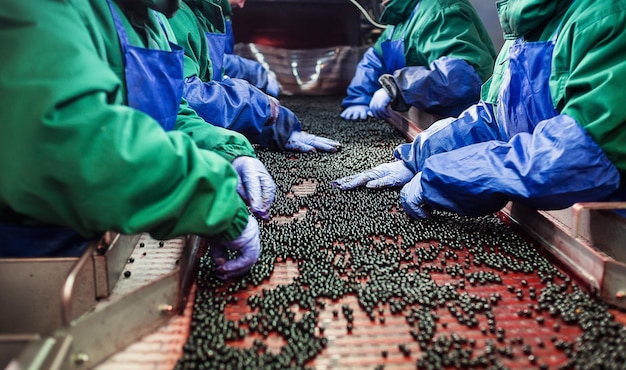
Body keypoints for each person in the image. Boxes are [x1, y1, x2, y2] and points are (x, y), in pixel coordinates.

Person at [0, 0, 275, 281]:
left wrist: (228, 152)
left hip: (116, 231)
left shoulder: (152, 20)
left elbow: (170, 113)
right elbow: (72, 141)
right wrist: (212, 201)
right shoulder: (43, 9)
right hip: (33, 256)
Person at [333, 0, 626, 220]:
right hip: (544, 200)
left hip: (608, 226)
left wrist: (455, 174)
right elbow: (496, 119)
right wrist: (419, 158)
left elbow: (578, 157)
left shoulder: (609, 15)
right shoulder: (523, 27)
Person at [169, 0, 341, 153]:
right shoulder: (175, 15)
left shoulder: (207, 16)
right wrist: (260, 107)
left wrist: (275, 129)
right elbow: (184, 99)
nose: (242, 4)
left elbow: (211, 78)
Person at [340, 0, 496, 121]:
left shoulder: (440, 10)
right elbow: (374, 61)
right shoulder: (400, 19)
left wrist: (399, 87)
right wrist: (359, 99)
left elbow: (460, 77)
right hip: (428, 117)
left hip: (467, 120)